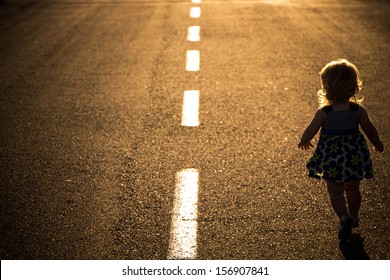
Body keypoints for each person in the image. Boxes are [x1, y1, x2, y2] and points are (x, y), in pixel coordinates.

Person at [298, 59, 384, 240]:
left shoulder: (325, 113)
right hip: (353, 158)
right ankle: (354, 216)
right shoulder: (357, 110)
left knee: (335, 191)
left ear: (326, 87)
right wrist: (377, 143)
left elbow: (311, 129)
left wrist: (305, 139)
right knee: (353, 189)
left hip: (332, 159)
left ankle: (343, 216)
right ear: (354, 87)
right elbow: (370, 129)